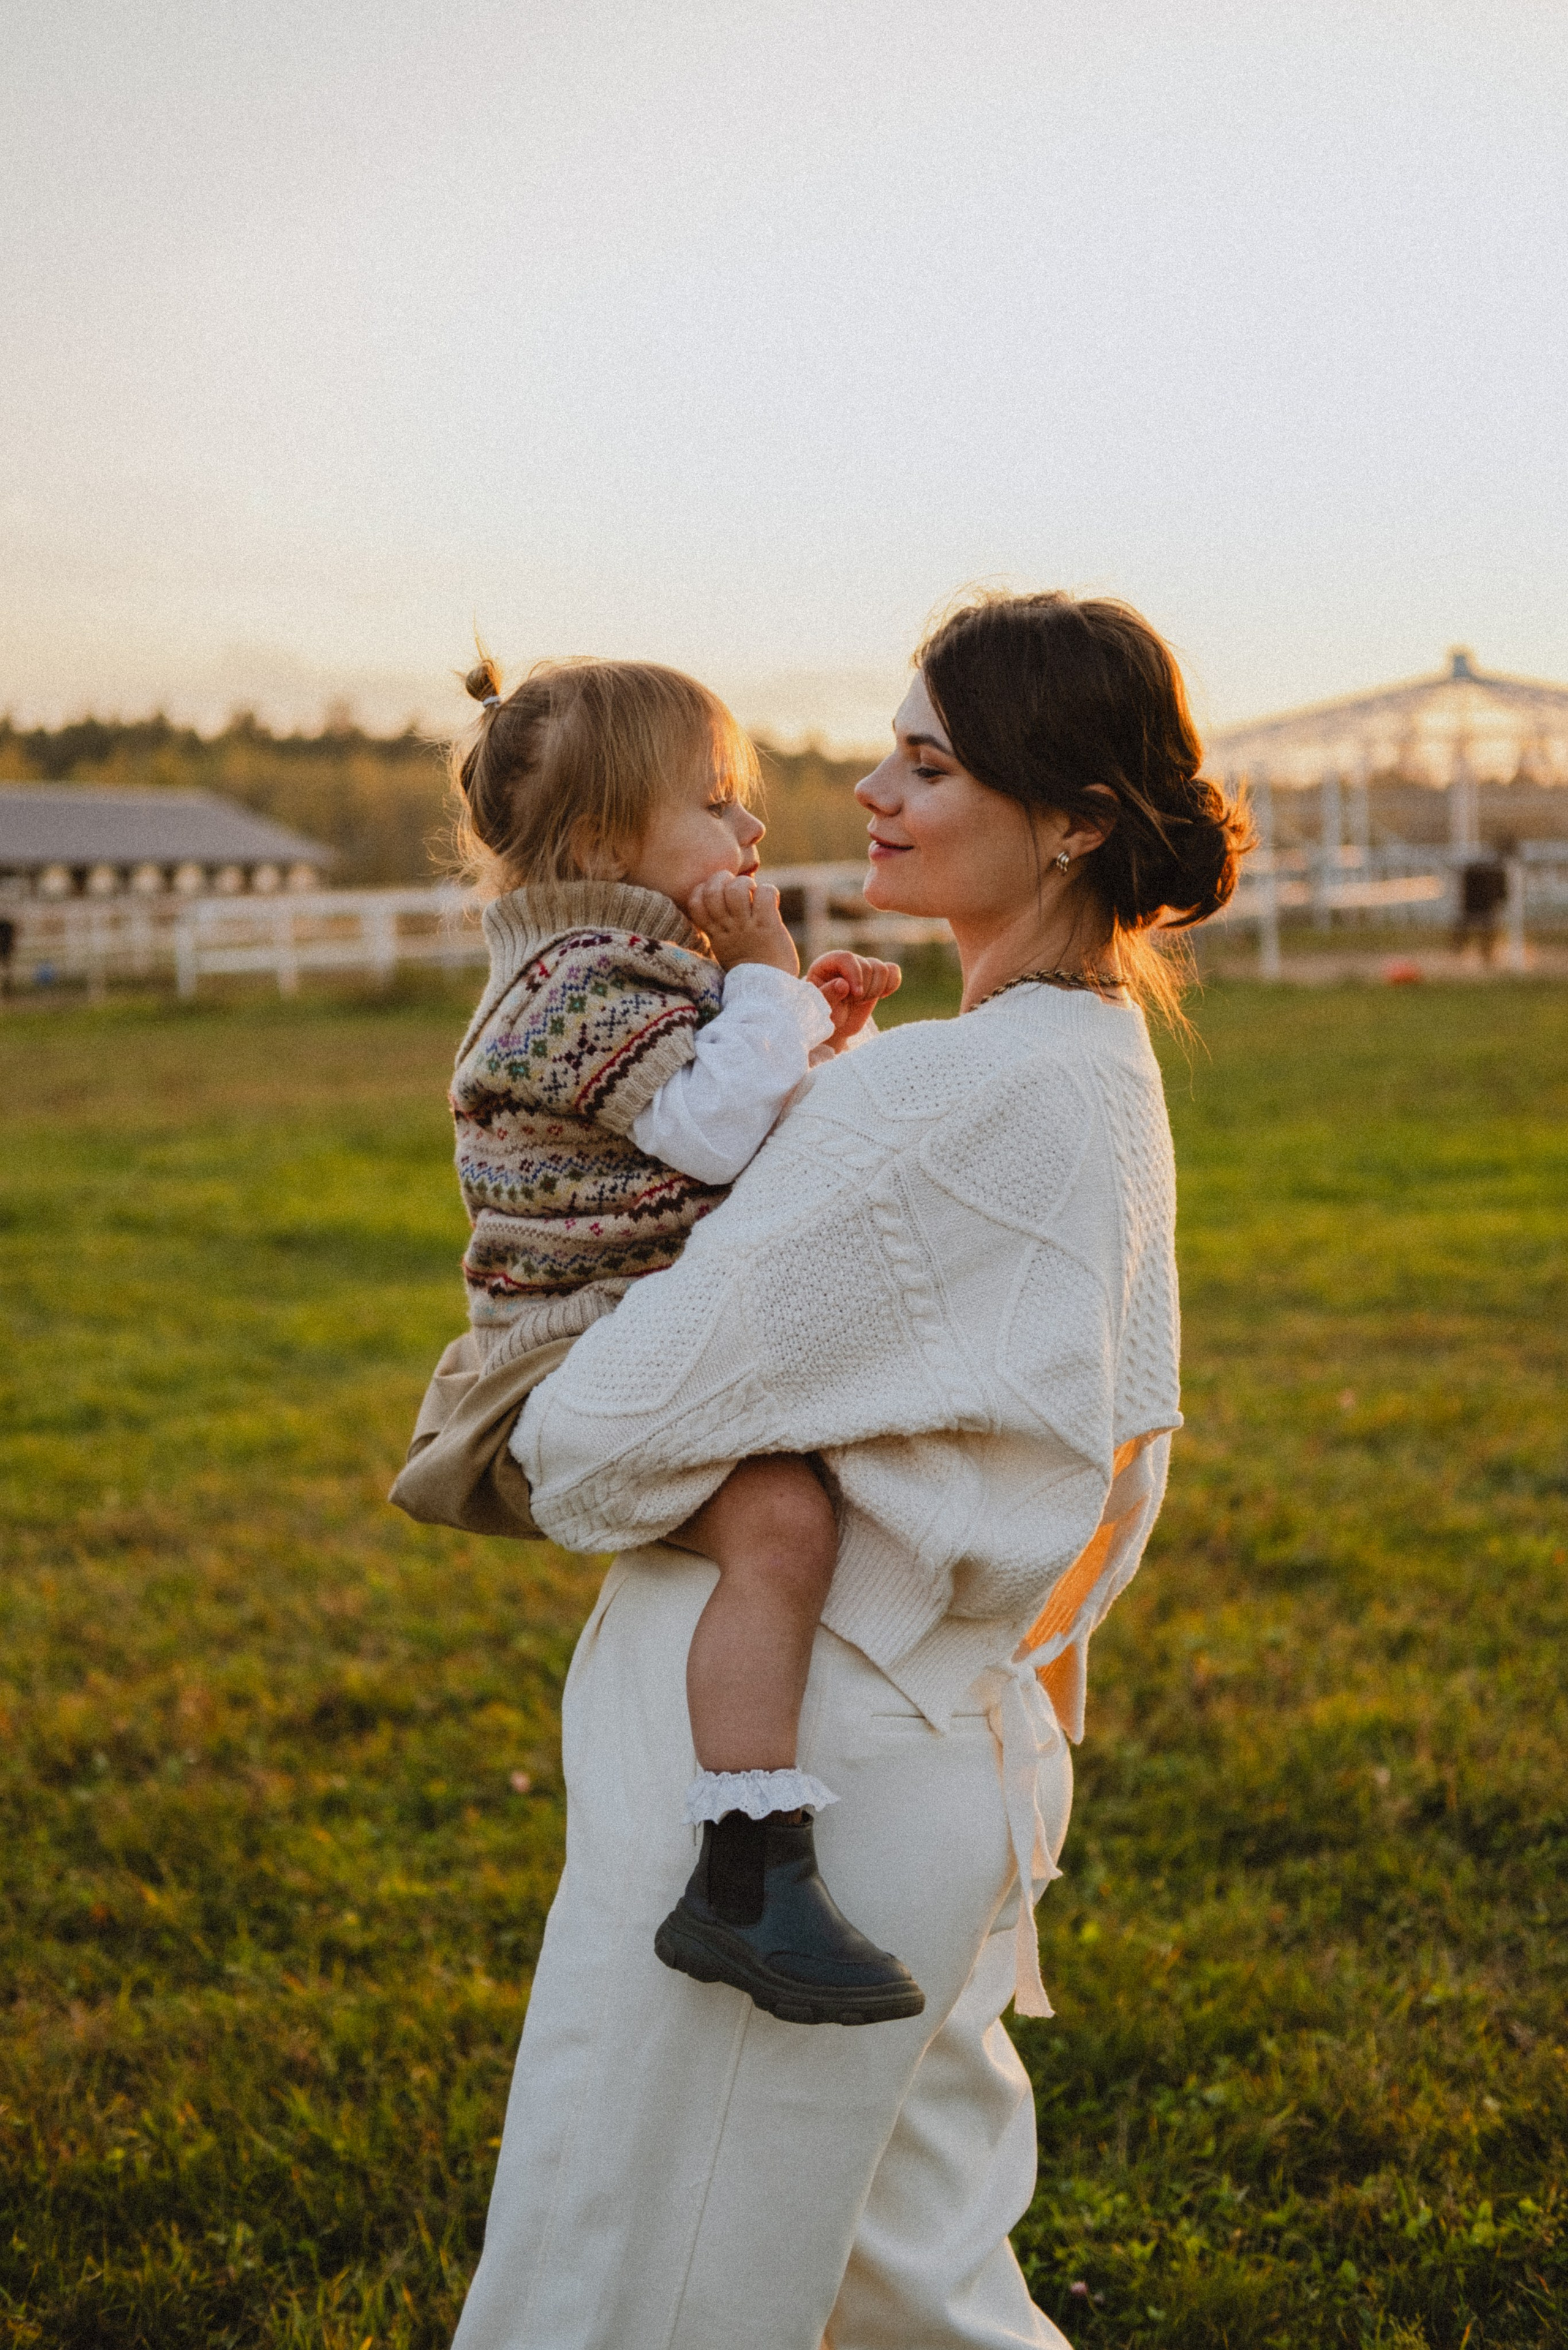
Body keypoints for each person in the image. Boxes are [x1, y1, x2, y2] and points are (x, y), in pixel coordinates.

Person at [443, 591, 1250, 2350]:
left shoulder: (934, 1099)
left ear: (1077, 818)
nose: (870, 788)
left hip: (801, 1763)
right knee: (920, 2300)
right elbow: (1123, 1460)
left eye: (930, 760)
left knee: (625, 2289)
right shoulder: (1094, 1067)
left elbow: (588, 1446)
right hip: (950, 1755)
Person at [436, 652, 919, 2020]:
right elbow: (707, 1135)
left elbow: (713, 1132)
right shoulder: (568, 981)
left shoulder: (627, 967)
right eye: (717, 802)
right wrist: (766, 977)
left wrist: (809, 1031)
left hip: (638, 1326)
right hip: (571, 1355)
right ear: (599, 841)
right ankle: (745, 1868)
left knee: (796, 1506)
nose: (751, 833)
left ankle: (756, 1856)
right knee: (781, 1523)